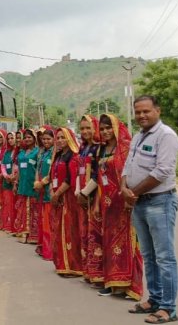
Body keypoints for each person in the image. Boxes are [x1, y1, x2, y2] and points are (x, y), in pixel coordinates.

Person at [122, 96, 178, 323]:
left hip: (160, 202)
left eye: (146, 111)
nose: (141, 116)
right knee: (149, 255)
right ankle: (154, 299)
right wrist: (123, 186)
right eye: (138, 112)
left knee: (165, 257)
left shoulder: (166, 135)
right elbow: (128, 164)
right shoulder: (137, 136)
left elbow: (163, 171)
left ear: (157, 110)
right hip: (140, 202)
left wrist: (133, 192)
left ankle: (169, 308)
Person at [95, 113, 143, 299]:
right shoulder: (102, 149)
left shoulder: (125, 148)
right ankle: (112, 282)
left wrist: (130, 198)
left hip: (123, 202)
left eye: (108, 128)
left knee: (128, 243)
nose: (105, 132)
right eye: (103, 129)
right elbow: (100, 179)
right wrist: (98, 204)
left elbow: (132, 174)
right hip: (107, 205)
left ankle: (130, 285)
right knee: (108, 241)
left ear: (116, 127)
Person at [50, 127, 83, 277]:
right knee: (59, 229)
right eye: (58, 138)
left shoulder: (73, 157)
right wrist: (52, 191)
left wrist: (57, 193)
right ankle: (62, 263)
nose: (60, 140)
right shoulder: (58, 156)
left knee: (69, 230)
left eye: (63, 137)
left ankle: (72, 266)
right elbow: (52, 176)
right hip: (57, 197)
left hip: (68, 199)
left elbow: (70, 179)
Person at [77, 114, 104, 287]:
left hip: (93, 196)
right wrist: (78, 192)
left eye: (88, 128)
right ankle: (88, 270)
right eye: (82, 128)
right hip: (82, 196)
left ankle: (98, 273)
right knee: (85, 233)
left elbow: (97, 175)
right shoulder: (83, 148)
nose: (85, 131)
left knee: (95, 235)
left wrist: (85, 193)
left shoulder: (98, 149)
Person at [14, 129, 39, 244]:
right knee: (23, 208)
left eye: (30, 137)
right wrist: (16, 182)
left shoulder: (38, 152)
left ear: (34, 138)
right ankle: (23, 232)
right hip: (22, 184)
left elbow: (39, 168)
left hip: (32, 184)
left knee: (33, 209)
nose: (27, 139)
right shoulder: (21, 153)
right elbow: (19, 169)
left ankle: (33, 235)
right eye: (25, 137)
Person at [34, 127, 55, 261]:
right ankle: (43, 247)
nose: (46, 141)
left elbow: (53, 171)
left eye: (48, 139)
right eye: (43, 139)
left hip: (49, 190)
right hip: (41, 190)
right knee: (43, 219)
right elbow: (37, 168)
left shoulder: (55, 152)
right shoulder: (42, 152)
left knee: (49, 221)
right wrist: (37, 182)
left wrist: (43, 182)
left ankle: (50, 251)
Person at [0, 130, 18, 234]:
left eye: (12, 138)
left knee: (15, 204)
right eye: (9, 139)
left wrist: (13, 177)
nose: (10, 140)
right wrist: (6, 176)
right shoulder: (6, 152)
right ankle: (8, 225)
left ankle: (14, 226)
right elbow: (2, 165)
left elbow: (18, 166)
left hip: (15, 182)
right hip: (7, 182)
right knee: (7, 203)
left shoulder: (19, 151)